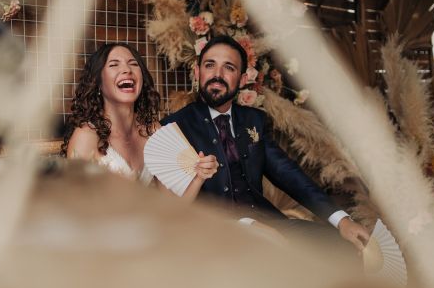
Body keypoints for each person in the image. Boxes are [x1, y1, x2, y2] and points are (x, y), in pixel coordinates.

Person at [160, 35, 370, 251]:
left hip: (269, 222)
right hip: (214, 235)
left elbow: (288, 174)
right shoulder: (173, 128)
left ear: (242, 80)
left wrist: (341, 220)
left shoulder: (254, 120)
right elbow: (173, 208)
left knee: (342, 246)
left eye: (229, 68)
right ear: (197, 72)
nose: (217, 75)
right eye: (210, 65)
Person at [61, 42, 161, 184]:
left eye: (133, 64)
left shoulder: (153, 130)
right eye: (114, 65)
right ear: (98, 82)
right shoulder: (86, 137)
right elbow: (75, 201)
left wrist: (198, 177)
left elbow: (172, 197)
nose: (127, 69)